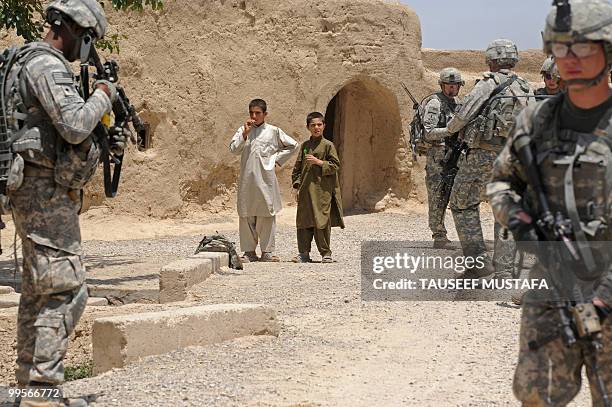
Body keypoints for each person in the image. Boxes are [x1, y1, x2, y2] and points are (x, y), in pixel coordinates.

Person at [487, 0, 612, 404]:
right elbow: (501, 184)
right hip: (551, 280)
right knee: (536, 392)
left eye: (582, 48)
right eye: (560, 48)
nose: (568, 59)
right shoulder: (535, 120)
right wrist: (524, 224)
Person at [2, 0, 120, 405]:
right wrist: (103, 95)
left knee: (39, 291)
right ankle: (42, 392)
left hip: (36, 189)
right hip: (43, 194)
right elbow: (73, 126)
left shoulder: (26, 61)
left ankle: (29, 389)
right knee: (67, 292)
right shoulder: (47, 65)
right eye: (87, 40)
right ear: (71, 30)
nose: (85, 50)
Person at [438, 39, 533, 279]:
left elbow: (462, 116)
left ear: (491, 60)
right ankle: (503, 269)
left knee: (461, 202)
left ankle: (478, 263)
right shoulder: (526, 87)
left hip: (483, 154)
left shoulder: (488, 84)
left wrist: (449, 130)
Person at [230, 99, 298, 262]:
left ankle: (267, 252)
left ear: (265, 114)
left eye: (258, 113)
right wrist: (245, 134)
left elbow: (293, 145)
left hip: (266, 179)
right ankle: (248, 252)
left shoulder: (274, 131)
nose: (254, 116)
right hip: (247, 180)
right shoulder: (243, 130)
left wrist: (276, 160)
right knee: (246, 214)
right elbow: (233, 149)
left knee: (266, 213)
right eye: (251, 113)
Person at [291, 112, 344, 263]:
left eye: (319, 124)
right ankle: (304, 253)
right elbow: (297, 168)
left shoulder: (328, 145)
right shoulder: (305, 146)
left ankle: (325, 253)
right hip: (306, 192)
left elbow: (335, 165)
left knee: (322, 222)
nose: (316, 127)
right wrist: (296, 185)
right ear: (308, 127)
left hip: (322, 191)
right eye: (313, 125)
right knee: (303, 222)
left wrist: (318, 162)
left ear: (324, 126)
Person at [419, 67, 464, 249]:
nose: (452, 89)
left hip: (453, 156)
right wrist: (450, 130)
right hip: (437, 158)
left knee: (453, 196)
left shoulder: (457, 102)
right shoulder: (435, 104)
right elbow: (428, 132)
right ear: (442, 85)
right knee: (437, 196)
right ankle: (439, 236)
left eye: (455, 86)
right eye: (449, 85)